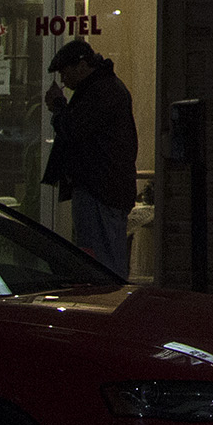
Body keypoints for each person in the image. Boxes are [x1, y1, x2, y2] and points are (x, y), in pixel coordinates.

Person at [41, 38, 137, 278]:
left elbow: (73, 129)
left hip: (100, 189)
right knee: (102, 254)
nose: (63, 80)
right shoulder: (104, 88)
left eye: (65, 72)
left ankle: (108, 301)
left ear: (82, 66)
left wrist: (59, 107)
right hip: (104, 187)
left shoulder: (100, 92)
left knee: (103, 261)